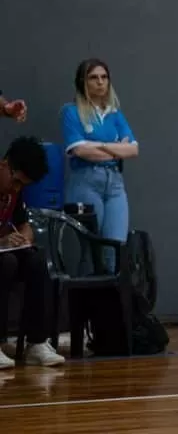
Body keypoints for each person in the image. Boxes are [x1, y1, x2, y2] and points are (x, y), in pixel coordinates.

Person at [60, 58, 139, 270]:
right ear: (82, 82)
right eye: (93, 78)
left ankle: (112, 291)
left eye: (104, 77)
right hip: (86, 181)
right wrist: (115, 148)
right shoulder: (71, 111)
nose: (100, 82)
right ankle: (89, 291)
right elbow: (80, 151)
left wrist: (99, 145)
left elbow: (133, 149)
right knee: (91, 251)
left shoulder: (115, 114)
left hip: (115, 184)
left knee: (116, 249)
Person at [0, 136, 66, 369]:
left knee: (36, 261)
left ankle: (36, 343)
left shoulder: (14, 193)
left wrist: (25, 237)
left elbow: (23, 223)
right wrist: (3, 240)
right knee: (6, 263)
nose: (17, 188)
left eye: (23, 185)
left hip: (4, 251)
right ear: (5, 165)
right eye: (16, 181)